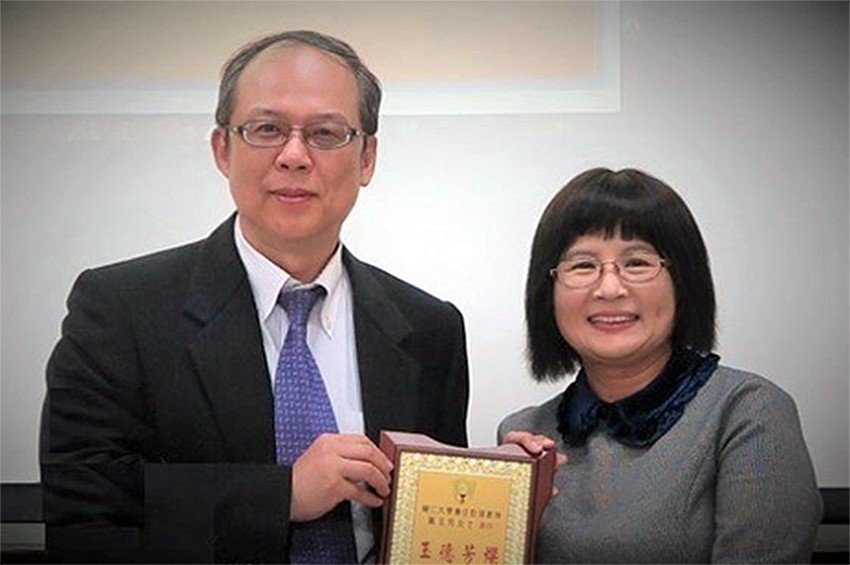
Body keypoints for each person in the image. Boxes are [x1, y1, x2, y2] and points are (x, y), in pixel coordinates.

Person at [40, 30, 469, 564]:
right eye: (267, 129)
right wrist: (282, 495)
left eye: (326, 133)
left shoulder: (430, 329)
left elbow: (437, 528)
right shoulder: (119, 309)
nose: (294, 156)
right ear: (222, 149)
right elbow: (82, 522)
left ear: (367, 159)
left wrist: (516, 486)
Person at [500, 168, 822, 563]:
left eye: (637, 263)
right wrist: (502, 509)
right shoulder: (526, 434)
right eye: (582, 266)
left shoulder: (748, 412)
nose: (609, 288)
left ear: (682, 281)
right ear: (547, 291)